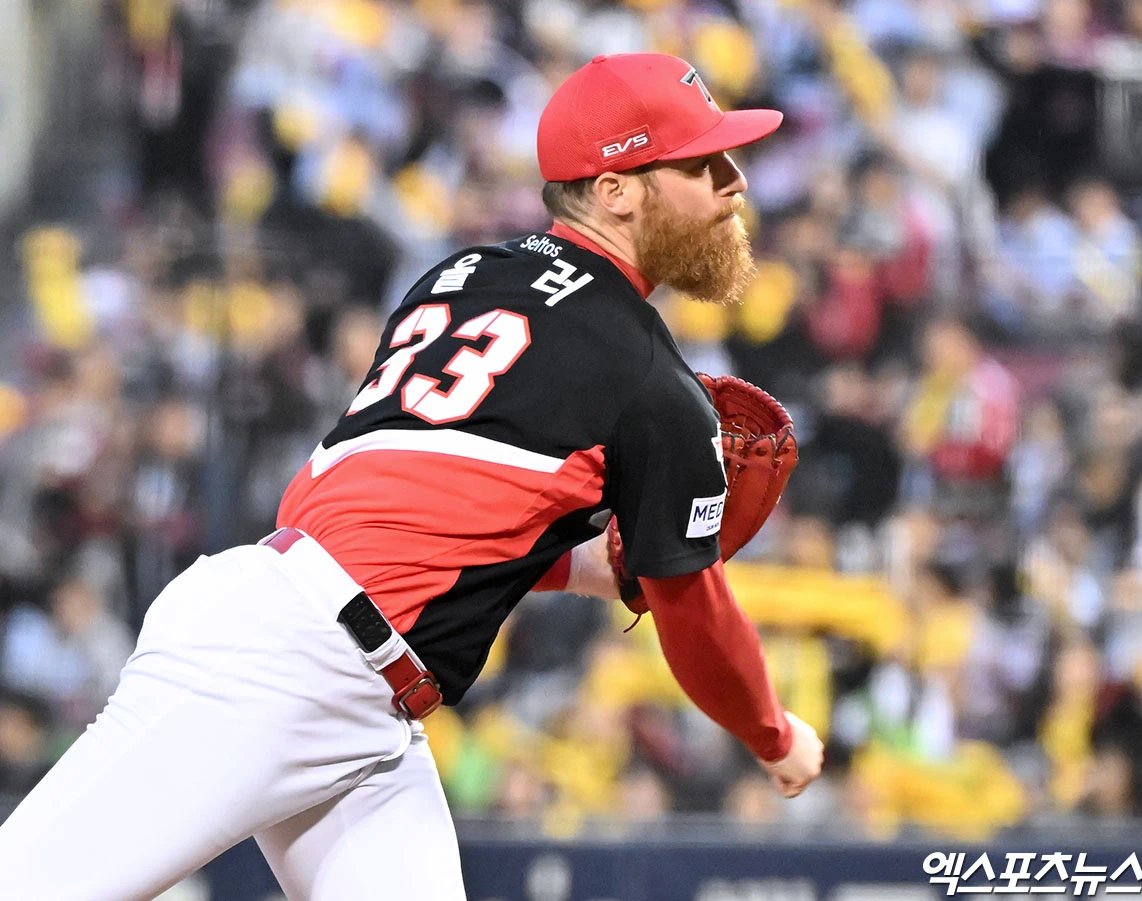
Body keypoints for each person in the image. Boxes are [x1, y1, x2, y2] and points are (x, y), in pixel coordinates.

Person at [0, 53, 825, 900]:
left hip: (354, 688)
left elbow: (432, 507)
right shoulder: (648, 378)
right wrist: (773, 733)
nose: (734, 180)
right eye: (701, 162)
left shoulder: (463, 277)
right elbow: (695, 617)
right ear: (616, 189)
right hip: (288, 664)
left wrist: (589, 565)